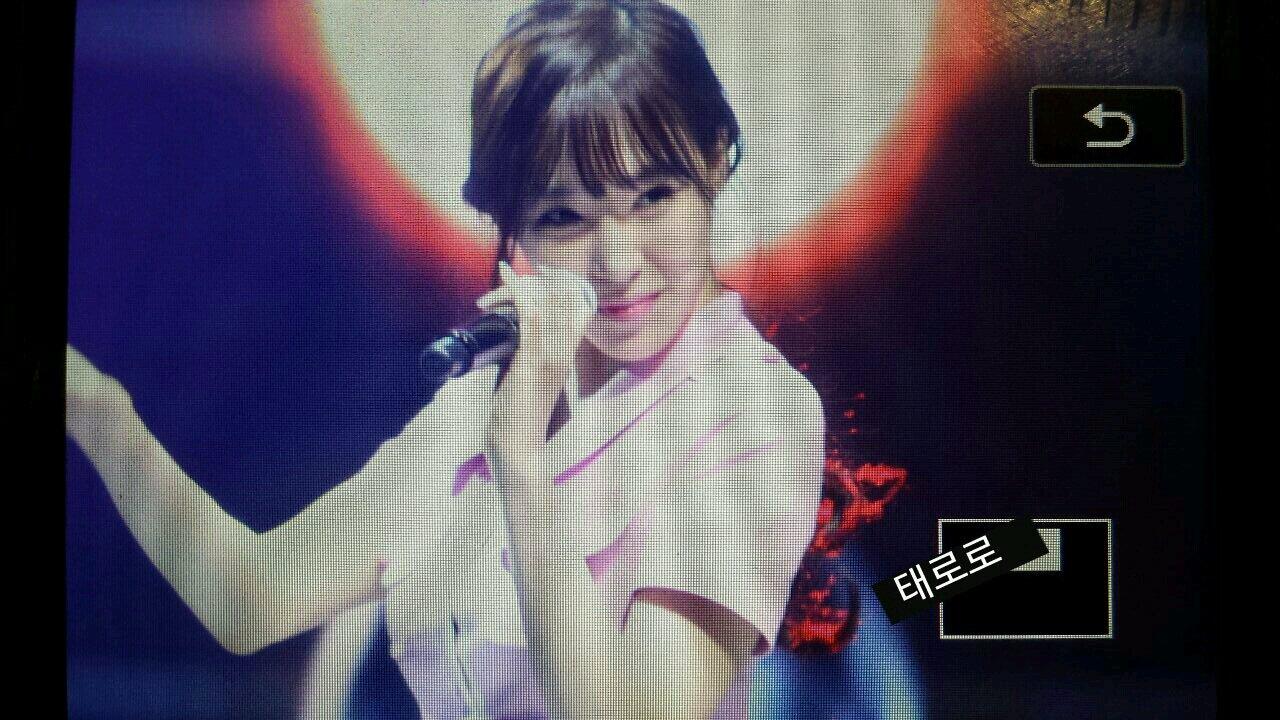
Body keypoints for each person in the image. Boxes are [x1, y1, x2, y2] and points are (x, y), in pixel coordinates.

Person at [66, 1, 855, 718]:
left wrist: (520, 460)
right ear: (515, 230)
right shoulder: (488, 397)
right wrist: (104, 418)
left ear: (715, 161)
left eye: (654, 198)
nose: (618, 262)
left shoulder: (754, 407)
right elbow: (253, 600)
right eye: (564, 216)